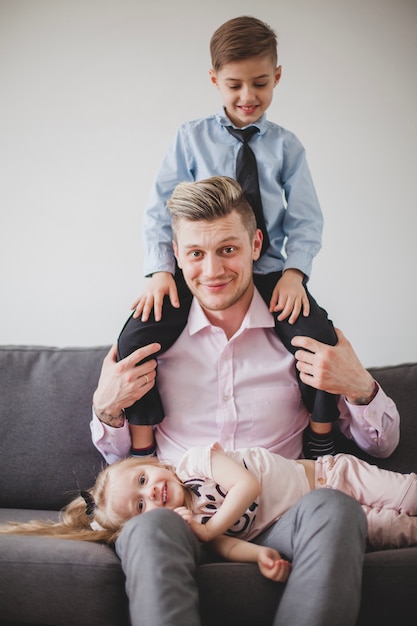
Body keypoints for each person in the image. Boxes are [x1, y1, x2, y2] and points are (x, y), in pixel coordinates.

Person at [91, 175, 400, 626]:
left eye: (228, 249)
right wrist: (107, 408)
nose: (212, 270)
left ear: (255, 244)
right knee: (148, 527)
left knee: (335, 507)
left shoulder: (302, 337)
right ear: (177, 255)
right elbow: (120, 469)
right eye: (196, 253)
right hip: (178, 511)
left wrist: (359, 385)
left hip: (286, 508)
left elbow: (384, 447)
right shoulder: (152, 343)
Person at [118, 15, 341, 460]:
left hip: (274, 274)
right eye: (234, 84)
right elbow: (159, 209)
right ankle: (142, 448)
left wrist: (295, 274)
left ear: (277, 77)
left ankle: (321, 438)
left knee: (319, 339)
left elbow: (306, 219)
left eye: (260, 83)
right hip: (204, 270)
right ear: (214, 80)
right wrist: (161, 271)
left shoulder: (288, 147)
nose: (247, 97)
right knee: (134, 340)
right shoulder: (190, 138)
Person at [3, 442, 416, 575]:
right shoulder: (193, 525)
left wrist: (206, 529)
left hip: (331, 475)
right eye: (141, 505)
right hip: (320, 517)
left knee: (408, 494)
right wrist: (263, 556)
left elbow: (247, 484)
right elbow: (228, 548)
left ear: (156, 464)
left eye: (144, 480)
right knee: (393, 531)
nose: (154, 494)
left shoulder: (196, 461)